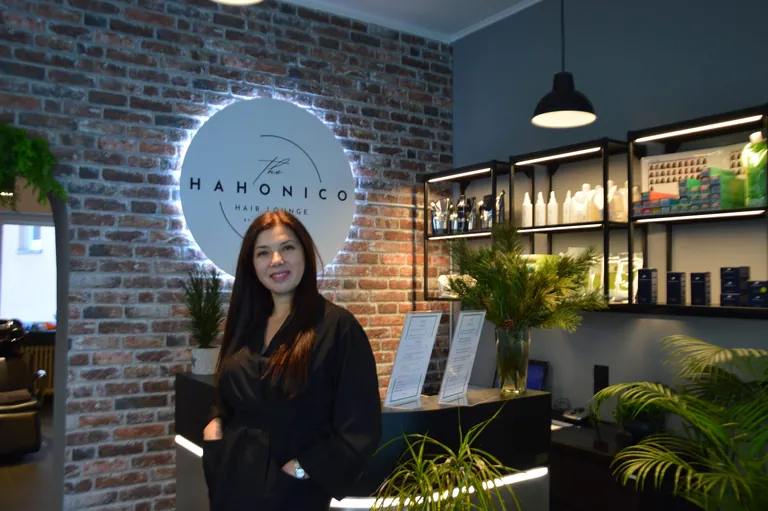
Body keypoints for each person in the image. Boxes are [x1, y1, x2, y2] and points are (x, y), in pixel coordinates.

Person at [202, 211, 383, 511]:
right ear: (252, 265)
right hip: (231, 482)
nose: (276, 260)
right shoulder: (248, 322)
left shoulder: (338, 327)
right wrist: (214, 426)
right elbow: (227, 390)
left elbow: (360, 427)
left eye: (287, 247)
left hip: (293, 493)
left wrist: (301, 469)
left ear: (305, 254)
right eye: (263, 253)